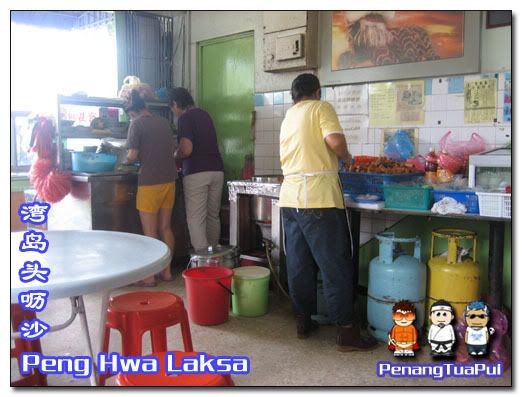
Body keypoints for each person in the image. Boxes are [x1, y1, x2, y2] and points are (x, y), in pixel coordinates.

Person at [279, 73, 377, 351]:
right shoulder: (321, 108)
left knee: (299, 263)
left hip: (290, 199)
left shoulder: (289, 116)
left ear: (293, 95)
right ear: (317, 91)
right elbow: (334, 141)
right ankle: (347, 331)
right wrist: (347, 158)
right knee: (335, 264)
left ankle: (303, 321)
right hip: (318, 198)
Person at [125, 89, 177, 286]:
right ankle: (167, 272)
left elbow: (131, 155)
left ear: (132, 113)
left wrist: (126, 160)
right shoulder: (164, 122)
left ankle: (149, 276)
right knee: (165, 227)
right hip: (169, 180)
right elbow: (172, 148)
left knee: (150, 233)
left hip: (149, 183)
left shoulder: (136, 124)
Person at [169, 87, 225, 252]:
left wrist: (175, 154)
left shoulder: (185, 118)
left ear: (175, 104)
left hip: (196, 172)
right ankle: (214, 256)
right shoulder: (204, 114)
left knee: (195, 218)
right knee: (212, 216)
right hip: (217, 170)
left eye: (173, 109)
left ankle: (203, 262)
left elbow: (187, 149)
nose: (175, 112)